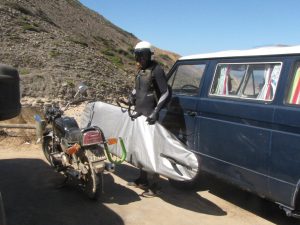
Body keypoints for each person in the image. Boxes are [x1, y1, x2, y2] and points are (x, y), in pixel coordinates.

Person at [127, 41, 170, 197]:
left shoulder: (157, 70)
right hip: (140, 115)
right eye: (138, 55)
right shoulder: (141, 70)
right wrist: (132, 96)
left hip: (151, 117)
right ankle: (143, 179)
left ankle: (155, 186)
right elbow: (138, 88)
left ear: (150, 55)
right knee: (140, 149)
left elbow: (165, 93)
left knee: (151, 152)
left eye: (143, 55)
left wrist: (156, 111)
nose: (140, 58)